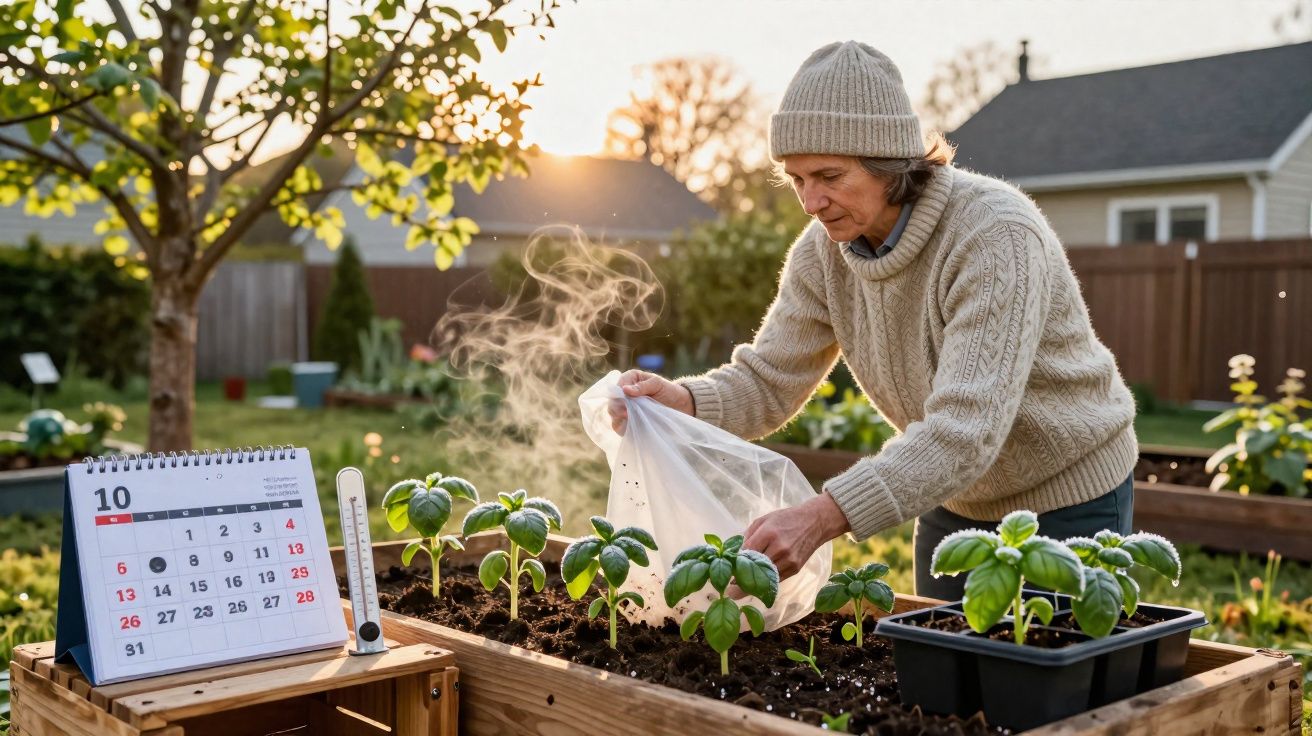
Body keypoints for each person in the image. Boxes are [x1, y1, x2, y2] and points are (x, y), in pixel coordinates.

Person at [609, 40, 1137, 601]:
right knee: (942, 679)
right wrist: (684, 403)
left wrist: (820, 516)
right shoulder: (822, 254)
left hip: (1067, 494)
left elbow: (967, 431)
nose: (810, 201)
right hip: (952, 495)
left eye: (829, 176)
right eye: (796, 179)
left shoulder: (994, 236)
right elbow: (769, 379)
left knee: (1041, 683)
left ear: (889, 164)